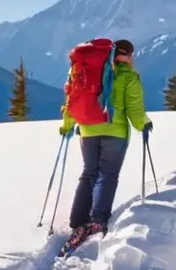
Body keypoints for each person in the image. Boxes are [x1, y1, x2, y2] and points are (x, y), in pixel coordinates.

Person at [58, 39, 152, 249]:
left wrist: (67, 125)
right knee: (107, 175)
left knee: (89, 173)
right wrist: (144, 125)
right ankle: (98, 220)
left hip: (88, 130)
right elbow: (134, 110)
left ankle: (77, 221)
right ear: (128, 55)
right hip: (114, 132)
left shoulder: (86, 71)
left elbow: (74, 100)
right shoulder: (128, 76)